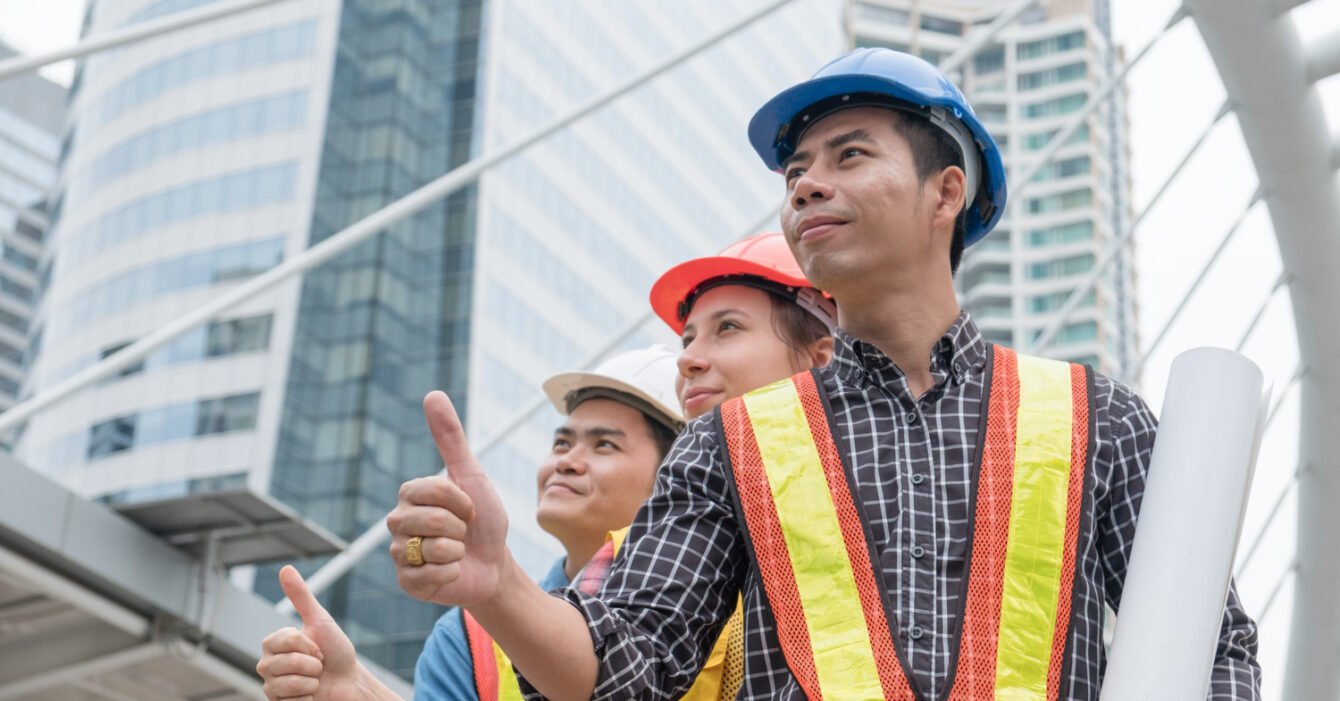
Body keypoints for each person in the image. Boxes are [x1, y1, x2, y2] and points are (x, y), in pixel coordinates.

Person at [387, 46, 1262, 701]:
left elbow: (1212, 649)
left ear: (944, 193)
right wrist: (499, 585)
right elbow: (631, 662)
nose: (806, 186)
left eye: (849, 156)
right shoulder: (730, 444)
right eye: (797, 170)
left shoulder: (1098, 420)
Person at [256, 347, 682, 701]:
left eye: (604, 445)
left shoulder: (739, 610)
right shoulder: (471, 635)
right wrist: (358, 694)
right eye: (562, 442)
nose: (566, 462)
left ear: (677, 474)